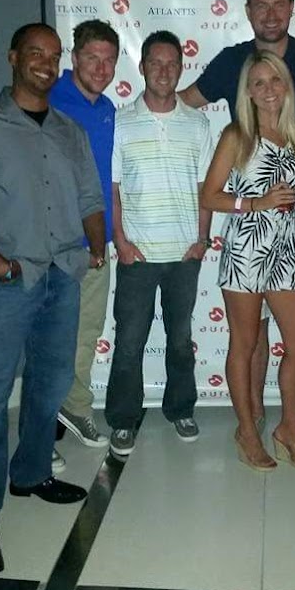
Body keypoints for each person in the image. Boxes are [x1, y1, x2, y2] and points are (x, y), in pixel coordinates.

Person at [0, 23, 106, 576]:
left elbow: (91, 197)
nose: (46, 64)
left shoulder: (70, 131)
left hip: (62, 278)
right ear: (13, 58)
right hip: (8, 285)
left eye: (54, 56)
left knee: (49, 387)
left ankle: (30, 475)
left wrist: (96, 248)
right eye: (35, 53)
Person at [179, 0, 295, 450]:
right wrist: (132, 126)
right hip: (248, 237)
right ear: (248, 11)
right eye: (261, 5)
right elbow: (183, 104)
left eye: (278, 3)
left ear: (291, 6)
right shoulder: (232, 67)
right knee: (251, 337)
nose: (270, 13)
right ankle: (251, 421)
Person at [201, 50, 295, 471]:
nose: (268, 89)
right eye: (258, 83)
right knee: (244, 345)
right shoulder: (237, 135)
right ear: (248, 91)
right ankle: (247, 431)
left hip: (283, 252)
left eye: (275, 80)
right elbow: (209, 195)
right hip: (245, 251)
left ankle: (288, 429)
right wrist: (255, 202)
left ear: (287, 84)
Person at [105, 31, 213, 458]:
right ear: (142, 67)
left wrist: (201, 239)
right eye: (156, 62)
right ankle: (123, 419)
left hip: (184, 256)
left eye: (172, 64)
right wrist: (120, 240)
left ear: (181, 69)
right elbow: (112, 187)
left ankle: (180, 409)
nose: (164, 71)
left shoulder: (197, 124)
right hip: (138, 255)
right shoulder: (122, 122)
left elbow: (205, 188)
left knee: (180, 340)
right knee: (129, 342)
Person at [51, 20, 119, 469]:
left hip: (97, 245)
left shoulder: (108, 107)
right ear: (74, 58)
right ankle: (41, 436)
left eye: (108, 60)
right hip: (54, 247)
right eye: (92, 57)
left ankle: (74, 408)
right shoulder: (49, 97)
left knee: (86, 334)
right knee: (48, 340)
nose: (100, 67)